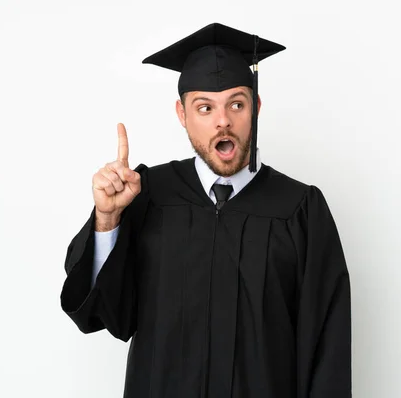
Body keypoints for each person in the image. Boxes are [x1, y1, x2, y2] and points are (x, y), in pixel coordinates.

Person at [60, 23, 352, 397]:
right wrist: (107, 220)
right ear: (182, 114)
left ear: (256, 108)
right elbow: (102, 313)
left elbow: (327, 348)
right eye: (204, 107)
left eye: (236, 103)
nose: (223, 121)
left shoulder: (300, 209)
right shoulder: (149, 195)